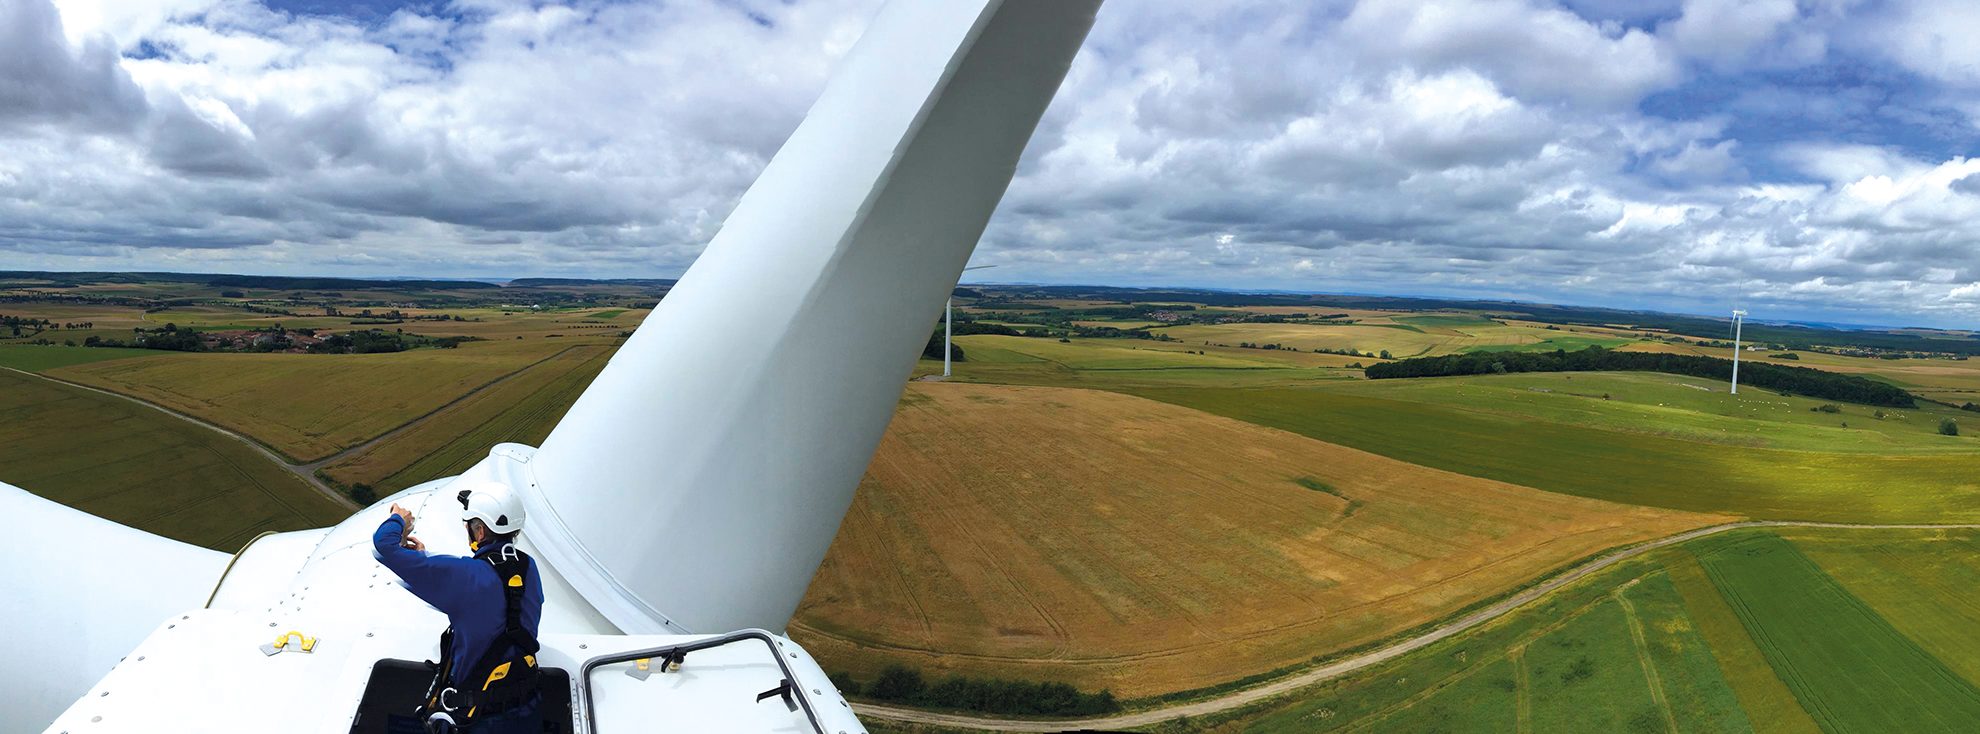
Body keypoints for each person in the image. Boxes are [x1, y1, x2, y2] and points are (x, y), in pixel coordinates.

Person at [373, 480, 546, 734]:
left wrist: (399, 521)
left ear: (479, 532)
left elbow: (383, 547)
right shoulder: (528, 567)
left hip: (477, 721)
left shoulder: (466, 577)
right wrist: (425, 559)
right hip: (526, 711)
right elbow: (492, 604)